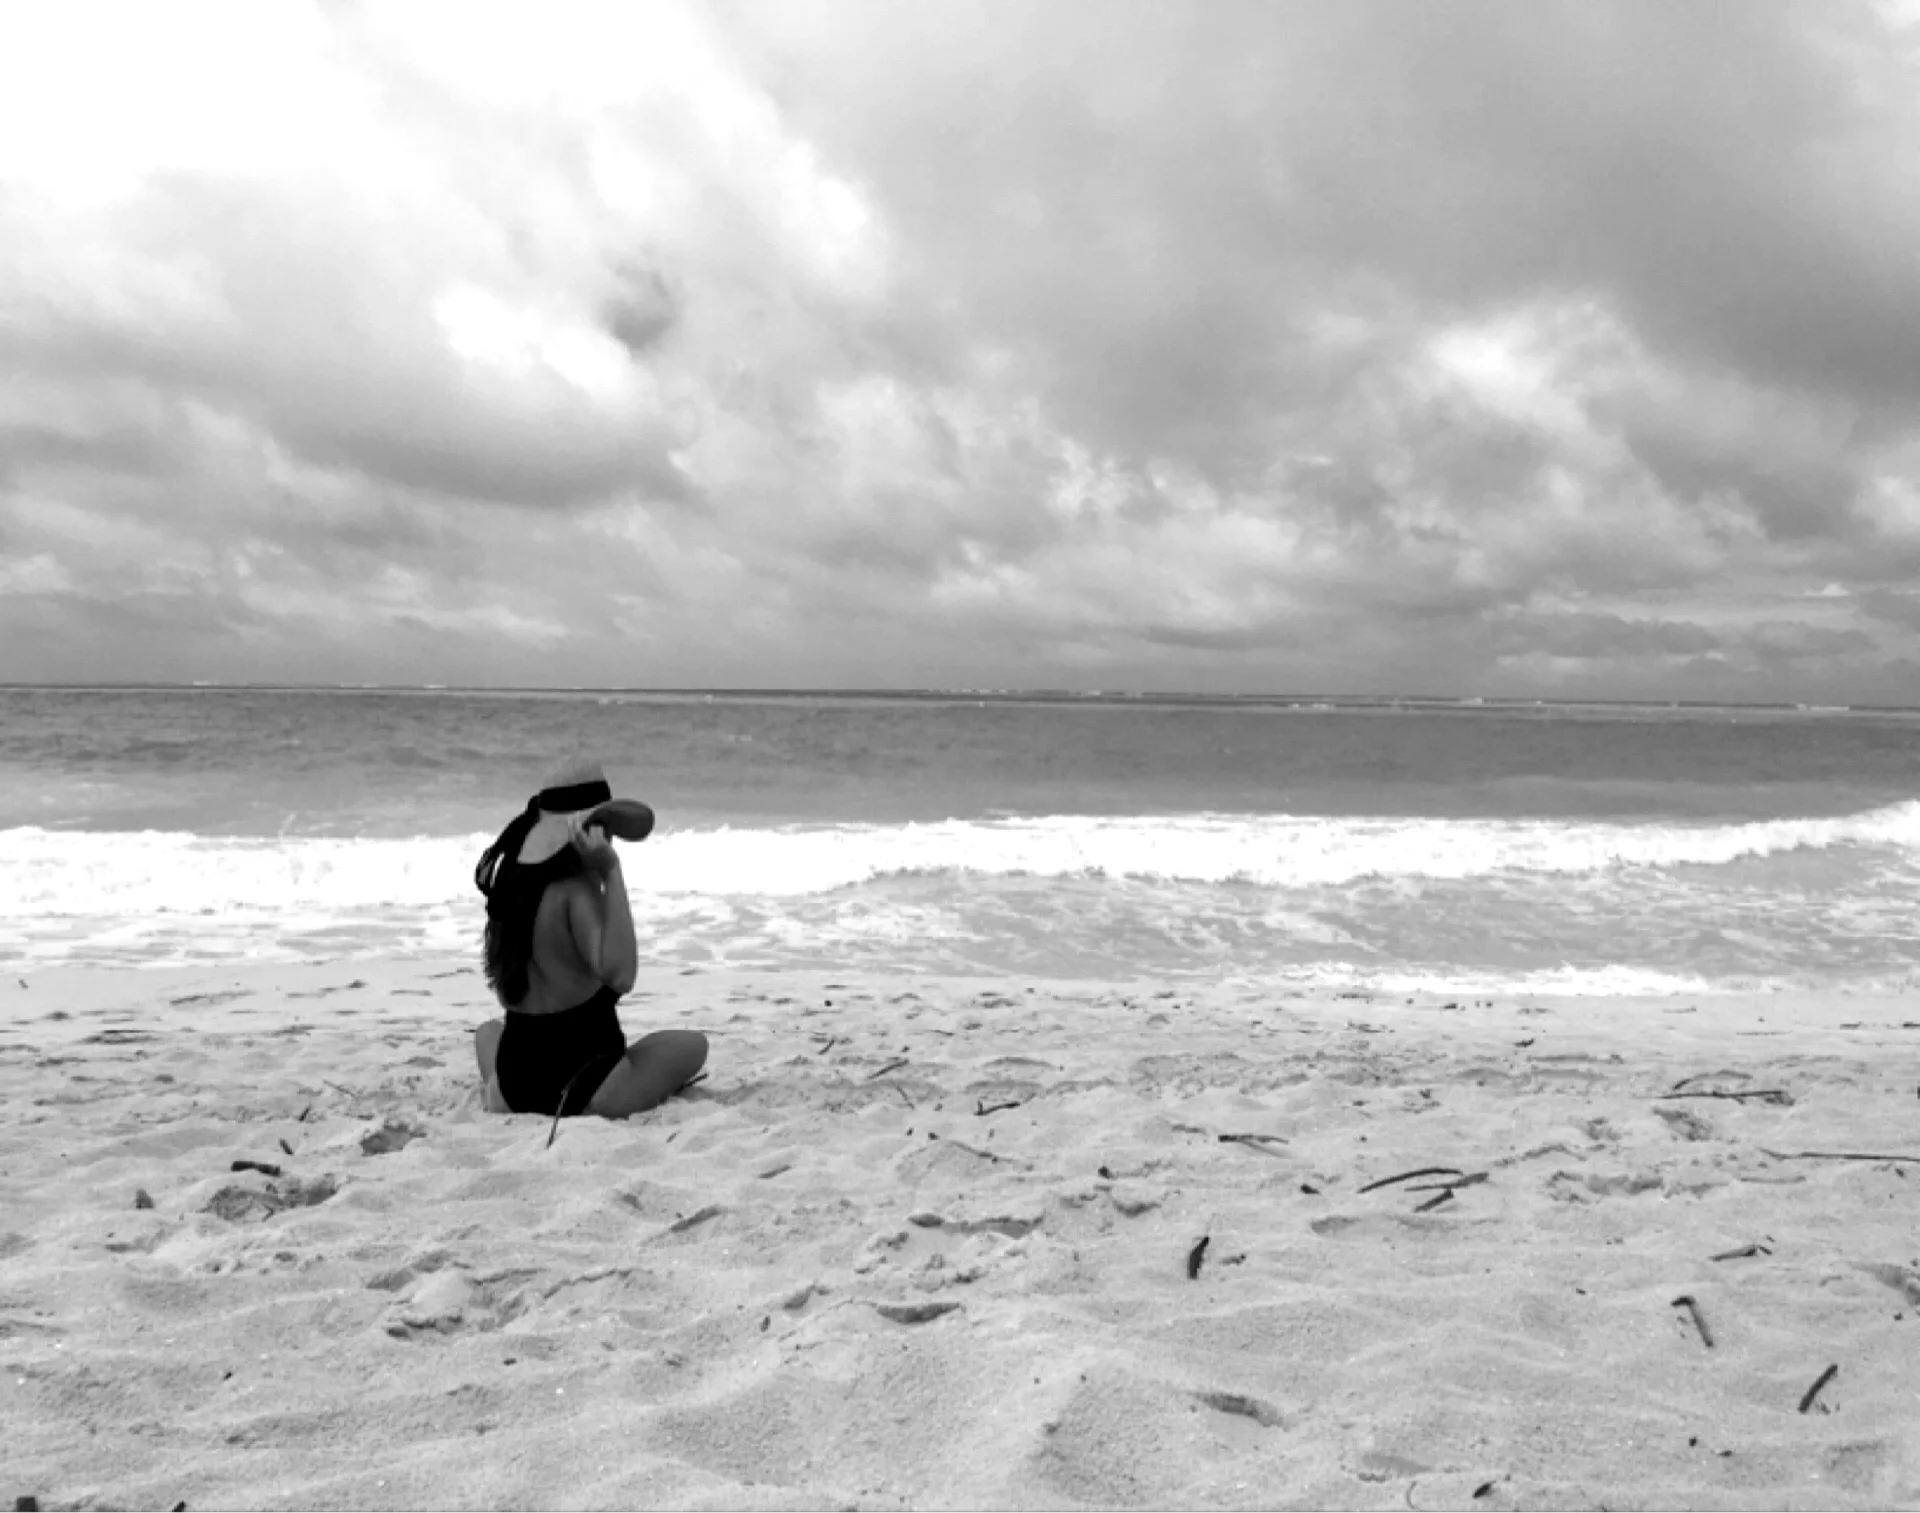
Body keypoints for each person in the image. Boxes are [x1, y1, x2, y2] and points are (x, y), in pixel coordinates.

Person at [471, 758, 708, 1118]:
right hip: (590, 1085)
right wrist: (610, 871)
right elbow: (621, 975)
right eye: (606, 827)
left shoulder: (506, 883)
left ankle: (497, 1092)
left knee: (488, 1032)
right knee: (694, 1045)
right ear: (591, 829)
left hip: (516, 1082)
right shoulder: (576, 889)